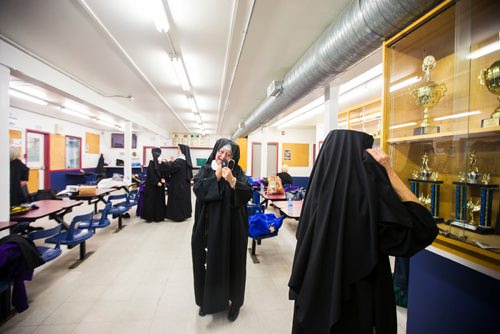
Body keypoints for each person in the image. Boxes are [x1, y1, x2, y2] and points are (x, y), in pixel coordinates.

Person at [288, 130, 438, 334]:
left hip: (315, 300)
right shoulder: (371, 204)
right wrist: (389, 173)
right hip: (362, 306)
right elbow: (424, 227)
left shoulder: (315, 202)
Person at [191, 139, 253, 321]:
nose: (223, 157)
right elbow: (198, 190)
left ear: (233, 157)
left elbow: (247, 194)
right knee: (208, 263)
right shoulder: (206, 170)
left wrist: (232, 180)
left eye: (228, 154)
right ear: (215, 151)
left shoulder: (238, 172)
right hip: (210, 228)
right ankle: (206, 301)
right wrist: (216, 177)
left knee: (234, 264)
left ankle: (235, 303)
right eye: (221, 152)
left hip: (233, 228)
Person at [163, 144, 193, 222]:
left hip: (178, 185)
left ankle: (177, 216)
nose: (177, 150)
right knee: (183, 201)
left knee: (177, 201)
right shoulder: (186, 161)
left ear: (181, 150)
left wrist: (164, 162)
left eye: (178, 148)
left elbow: (170, 168)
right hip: (185, 185)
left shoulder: (179, 161)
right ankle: (184, 214)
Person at [140, 147, 166, 222]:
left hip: (160, 186)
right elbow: (151, 175)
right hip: (152, 187)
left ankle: (159, 216)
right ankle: (151, 217)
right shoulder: (151, 163)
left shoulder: (160, 163)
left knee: (159, 201)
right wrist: (156, 182)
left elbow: (162, 172)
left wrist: (163, 178)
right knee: (151, 201)